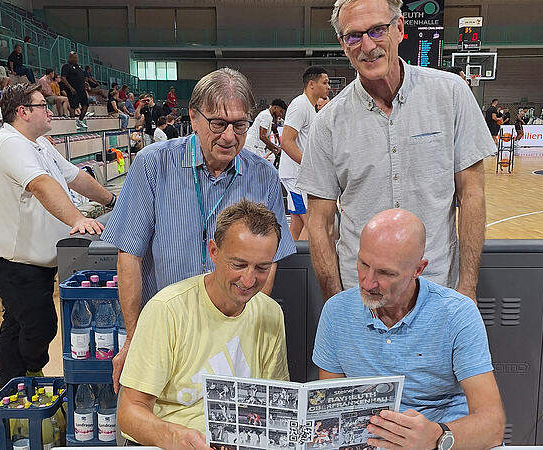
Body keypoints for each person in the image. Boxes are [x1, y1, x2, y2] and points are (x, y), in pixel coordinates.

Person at [101, 68, 297, 393]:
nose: (229, 137)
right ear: (193, 117)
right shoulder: (154, 164)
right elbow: (130, 256)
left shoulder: (263, 175)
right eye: (218, 124)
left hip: (232, 337)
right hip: (167, 335)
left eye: (240, 125)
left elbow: (268, 261)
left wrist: (247, 330)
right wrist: (134, 338)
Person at [297, 0, 492, 302]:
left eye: (377, 30)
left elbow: (472, 194)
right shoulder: (328, 122)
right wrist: (336, 302)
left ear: (399, 28)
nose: (367, 46)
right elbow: (320, 223)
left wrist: (467, 288)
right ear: (343, 44)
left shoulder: (451, 94)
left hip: (437, 289)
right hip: (361, 294)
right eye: (354, 36)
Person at [313, 209, 505, 450]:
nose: (368, 282)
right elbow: (331, 411)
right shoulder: (336, 311)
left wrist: (436, 437)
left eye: (385, 272)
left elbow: (493, 426)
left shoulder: (457, 313)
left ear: (418, 269)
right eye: (363, 264)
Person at [117, 199, 290, 447]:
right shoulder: (167, 310)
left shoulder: (270, 313)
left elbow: (275, 403)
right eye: (238, 265)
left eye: (262, 268)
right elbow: (129, 413)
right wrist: (176, 437)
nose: (249, 279)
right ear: (213, 252)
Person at [0, 83, 115, 386]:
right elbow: (41, 185)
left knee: (17, 321)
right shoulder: (9, 143)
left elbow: (75, 177)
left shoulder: (39, 143)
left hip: (33, 263)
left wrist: (113, 201)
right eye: (43, 105)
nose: (50, 111)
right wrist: (78, 219)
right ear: (23, 112)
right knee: (40, 324)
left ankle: (14, 385)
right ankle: (29, 374)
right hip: (12, 262)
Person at [281, 65, 329, 241]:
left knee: (297, 224)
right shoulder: (300, 105)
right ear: (311, 84)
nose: (328, 87)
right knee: (313, 224)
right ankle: (307, 259)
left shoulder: (310, 108)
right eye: (325, 82)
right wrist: (310, 166)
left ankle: (288, 257)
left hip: (298, 175)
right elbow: (286, 141)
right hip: (296, 177)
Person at [60, 51, 89, 129]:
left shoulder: (78, 67)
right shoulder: (66, 67)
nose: (76, 59)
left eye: (76, 58)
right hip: (73, 90)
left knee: (86, 104)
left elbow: (81, 77)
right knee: (73, 106)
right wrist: (70, 88)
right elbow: (63, 78)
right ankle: (73, 123)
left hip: (82, 89)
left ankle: (80, 120)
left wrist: (84, 83)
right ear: (70, 58)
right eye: (74, 58)